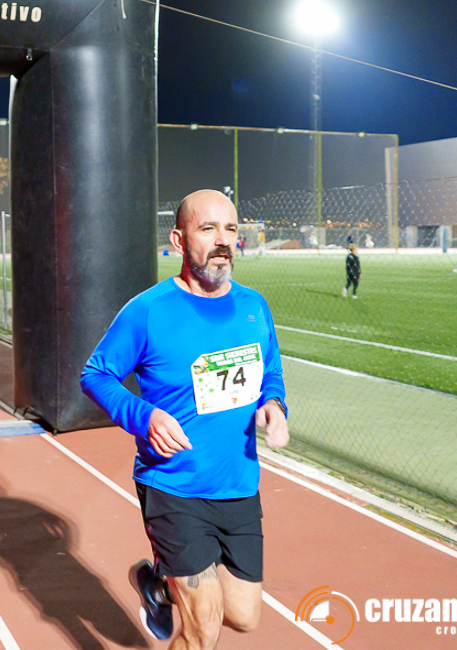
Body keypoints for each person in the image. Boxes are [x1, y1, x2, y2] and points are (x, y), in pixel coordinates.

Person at [80, 189, 290, 648]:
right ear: (178, 240)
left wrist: (274, 405)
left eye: (230, 229)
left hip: (238, 484)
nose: (222, 240)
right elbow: (95, 374)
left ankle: (158, 585)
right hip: (174, 486)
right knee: (202, 628)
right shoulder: (148, 311)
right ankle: (170, 581)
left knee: (244, 616)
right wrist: (144, 416)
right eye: (208, 229)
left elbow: (269, 371)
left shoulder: (254, 306)